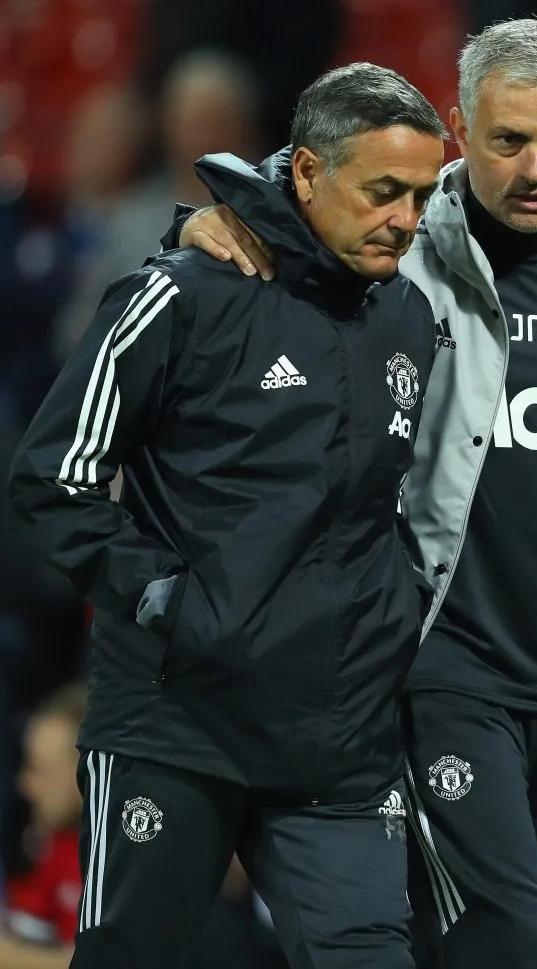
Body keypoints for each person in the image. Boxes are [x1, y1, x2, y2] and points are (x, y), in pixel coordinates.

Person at [168, 18, 537, 968]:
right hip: (447, 668)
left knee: (462, 946)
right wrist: (205, 220)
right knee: (505, 940)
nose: (532, 168)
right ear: (461, 129)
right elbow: (295, 189)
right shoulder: (405, 242)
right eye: (506, 140)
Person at [6, 62, 447, 969]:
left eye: (419, 194)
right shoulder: (186, 294)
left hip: (340, 732)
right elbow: (55, 477)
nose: (404, 218)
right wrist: (169, 599)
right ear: (310, 174)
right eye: (382, 192)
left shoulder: (409, 316)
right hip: (180, 721)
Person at [0, 683, 85, 969]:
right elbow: (25, 930)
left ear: (83, 777)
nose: (25, 785)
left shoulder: (118, 862)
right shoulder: (53, 846)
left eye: (38, 769)